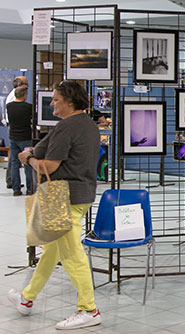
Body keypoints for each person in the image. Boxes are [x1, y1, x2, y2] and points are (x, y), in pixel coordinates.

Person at [10, 81, 102, 330]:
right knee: (51, 251)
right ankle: (27, 298)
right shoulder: (89, 124)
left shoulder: (67, 127)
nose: (51, 104)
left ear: (70, 101)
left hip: (64, 197)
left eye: (55, 100)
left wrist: (28, 158)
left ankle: (89, 309)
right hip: (78, 195)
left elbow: (48, 167)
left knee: (72, 254)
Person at [6, 86, 33, 196]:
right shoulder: (28, 107)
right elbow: (31, 120)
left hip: (13, 137)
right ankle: (30, 188)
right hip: (25, 138)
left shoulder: (9, 106)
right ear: (24, 95)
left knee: (14, 163)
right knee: (28, 163)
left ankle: (16, 189)